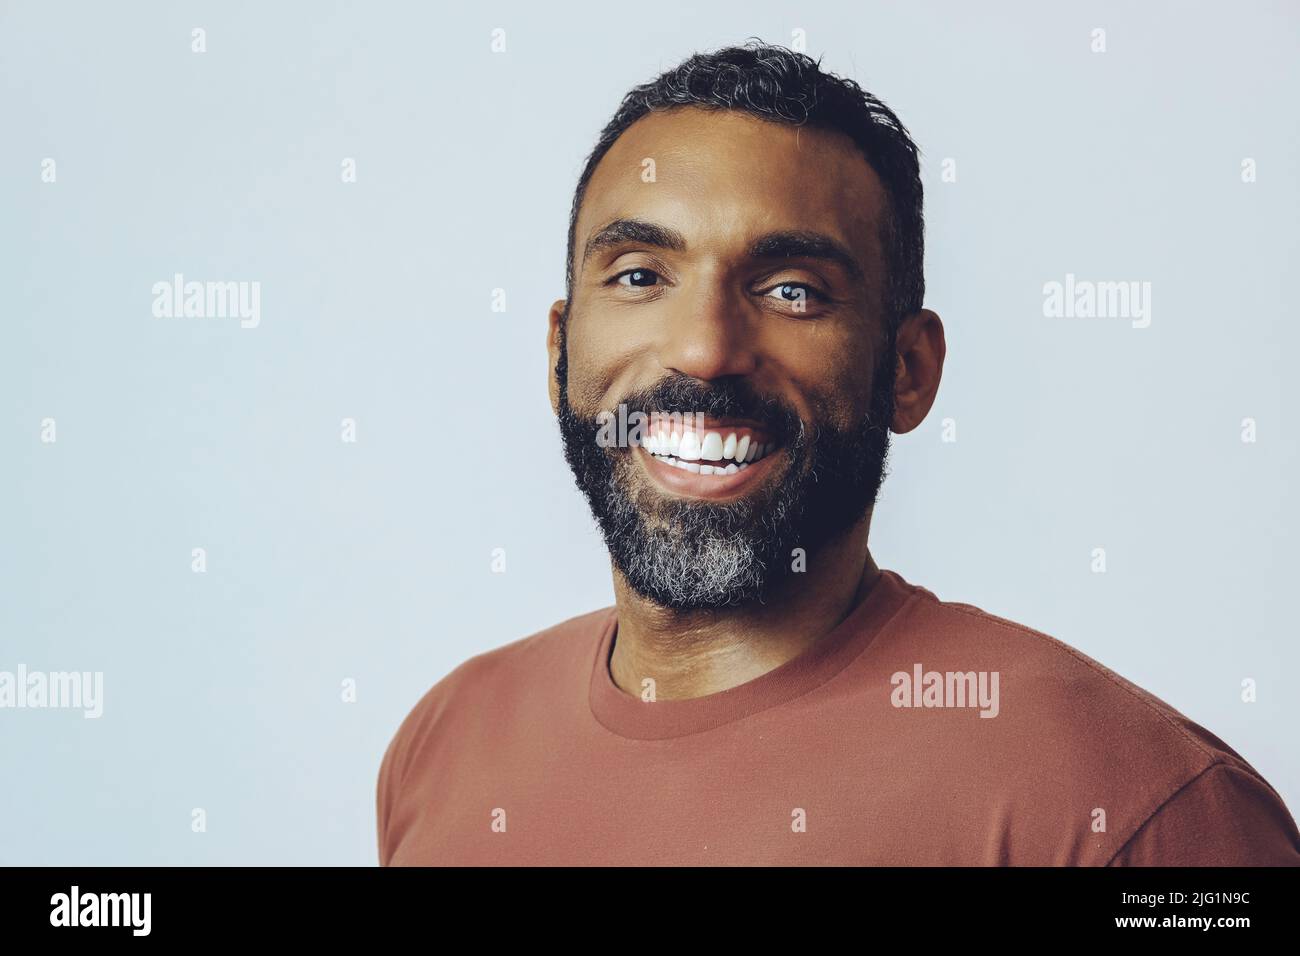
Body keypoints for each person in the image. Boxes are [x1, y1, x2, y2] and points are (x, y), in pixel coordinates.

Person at [377, 40, 1300, 866]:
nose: (704, 349)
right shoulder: (446, 741)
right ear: (559, 350)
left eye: (791, 290)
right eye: (639, 276)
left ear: (907, 370)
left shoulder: (1138, 812)